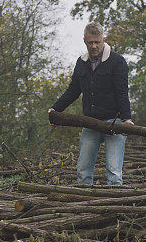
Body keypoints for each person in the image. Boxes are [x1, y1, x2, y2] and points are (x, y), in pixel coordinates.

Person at [49, 22, 134, 185]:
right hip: (90, 123)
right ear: (84, 41)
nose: (94, 46)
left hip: (114, 122)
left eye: (97, 42)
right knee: (83, 170)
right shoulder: (81, 63)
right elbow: (73, 90)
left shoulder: (117, 62)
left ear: (104, 40)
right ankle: (83, 206)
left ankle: (115, 207)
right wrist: (55, 109)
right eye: (90, 42)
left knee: (114, 172)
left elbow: (122, 92)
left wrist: (126, 119)